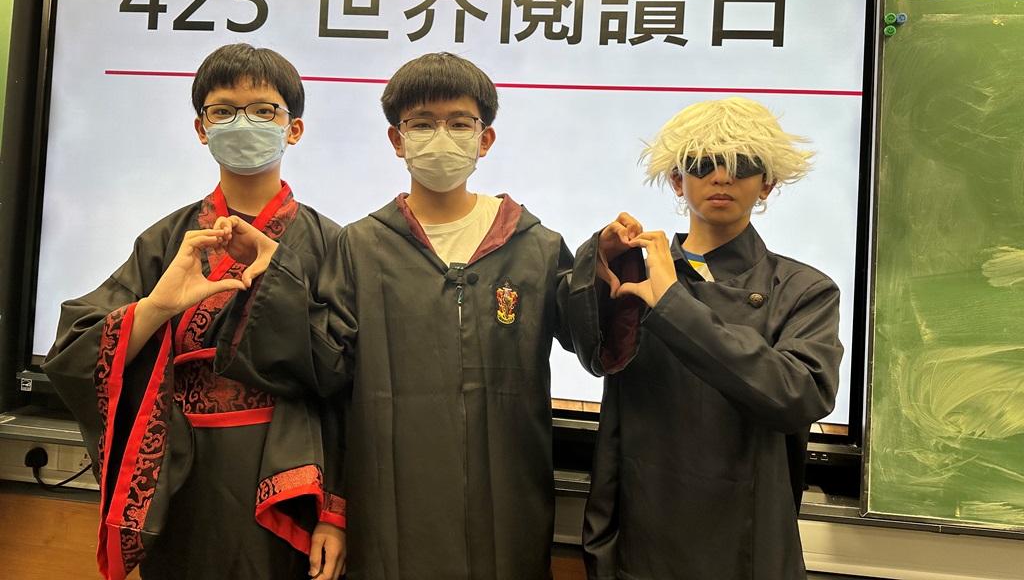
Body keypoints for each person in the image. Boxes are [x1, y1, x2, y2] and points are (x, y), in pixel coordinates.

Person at [42, 43, 351, 580]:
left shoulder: (332, 243)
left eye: (263, 110)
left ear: (294, 129)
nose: (242, 123)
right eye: (223, 111)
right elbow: (74, 351)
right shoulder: (167, 240)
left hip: (289, 475)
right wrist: (156, 307)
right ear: (201, 129)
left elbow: (350, 385)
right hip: (182, 471)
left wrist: (335, 514)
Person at [571, 97, 844, 580]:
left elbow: (798, 395)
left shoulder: (805, 290)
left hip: (750, 553)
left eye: (742, 164)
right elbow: (581, 347)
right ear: (678, 180)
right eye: (702, 163)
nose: (721, 177)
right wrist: (594, 266)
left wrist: (673, 305)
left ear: (768, 182)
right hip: (639, 547)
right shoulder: (634, 276)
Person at [334, 52, 583, 579]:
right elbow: (324, 378)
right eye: (422, 123)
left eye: (459, 123)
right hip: (391, 504)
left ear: (484, 138)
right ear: (397, 139)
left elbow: (596, 343)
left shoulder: (536, 246)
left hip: (508, 502)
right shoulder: (359, 247)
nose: (440, 137)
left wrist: (610, 271)